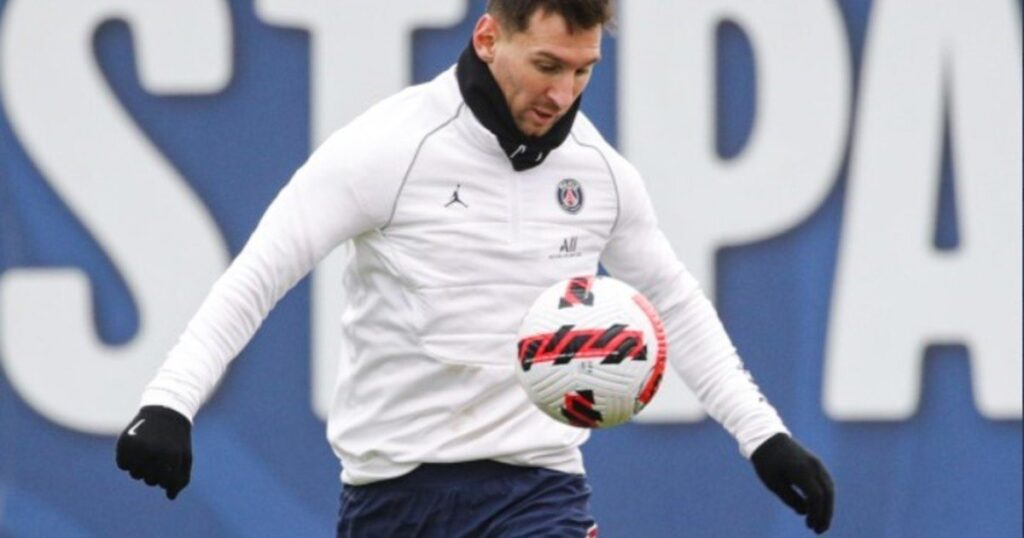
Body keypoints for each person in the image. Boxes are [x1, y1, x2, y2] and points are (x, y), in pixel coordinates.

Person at [115, 1, 835, 535]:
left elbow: (674, 301)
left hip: (540, 491)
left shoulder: (602, 175)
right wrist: (170, 402)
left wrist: (763, 436)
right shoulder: (387, 150)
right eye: (546, 66)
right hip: (392, 498)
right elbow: (258, 275)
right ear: (488, 38)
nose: (563, 95)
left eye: (582, 71)